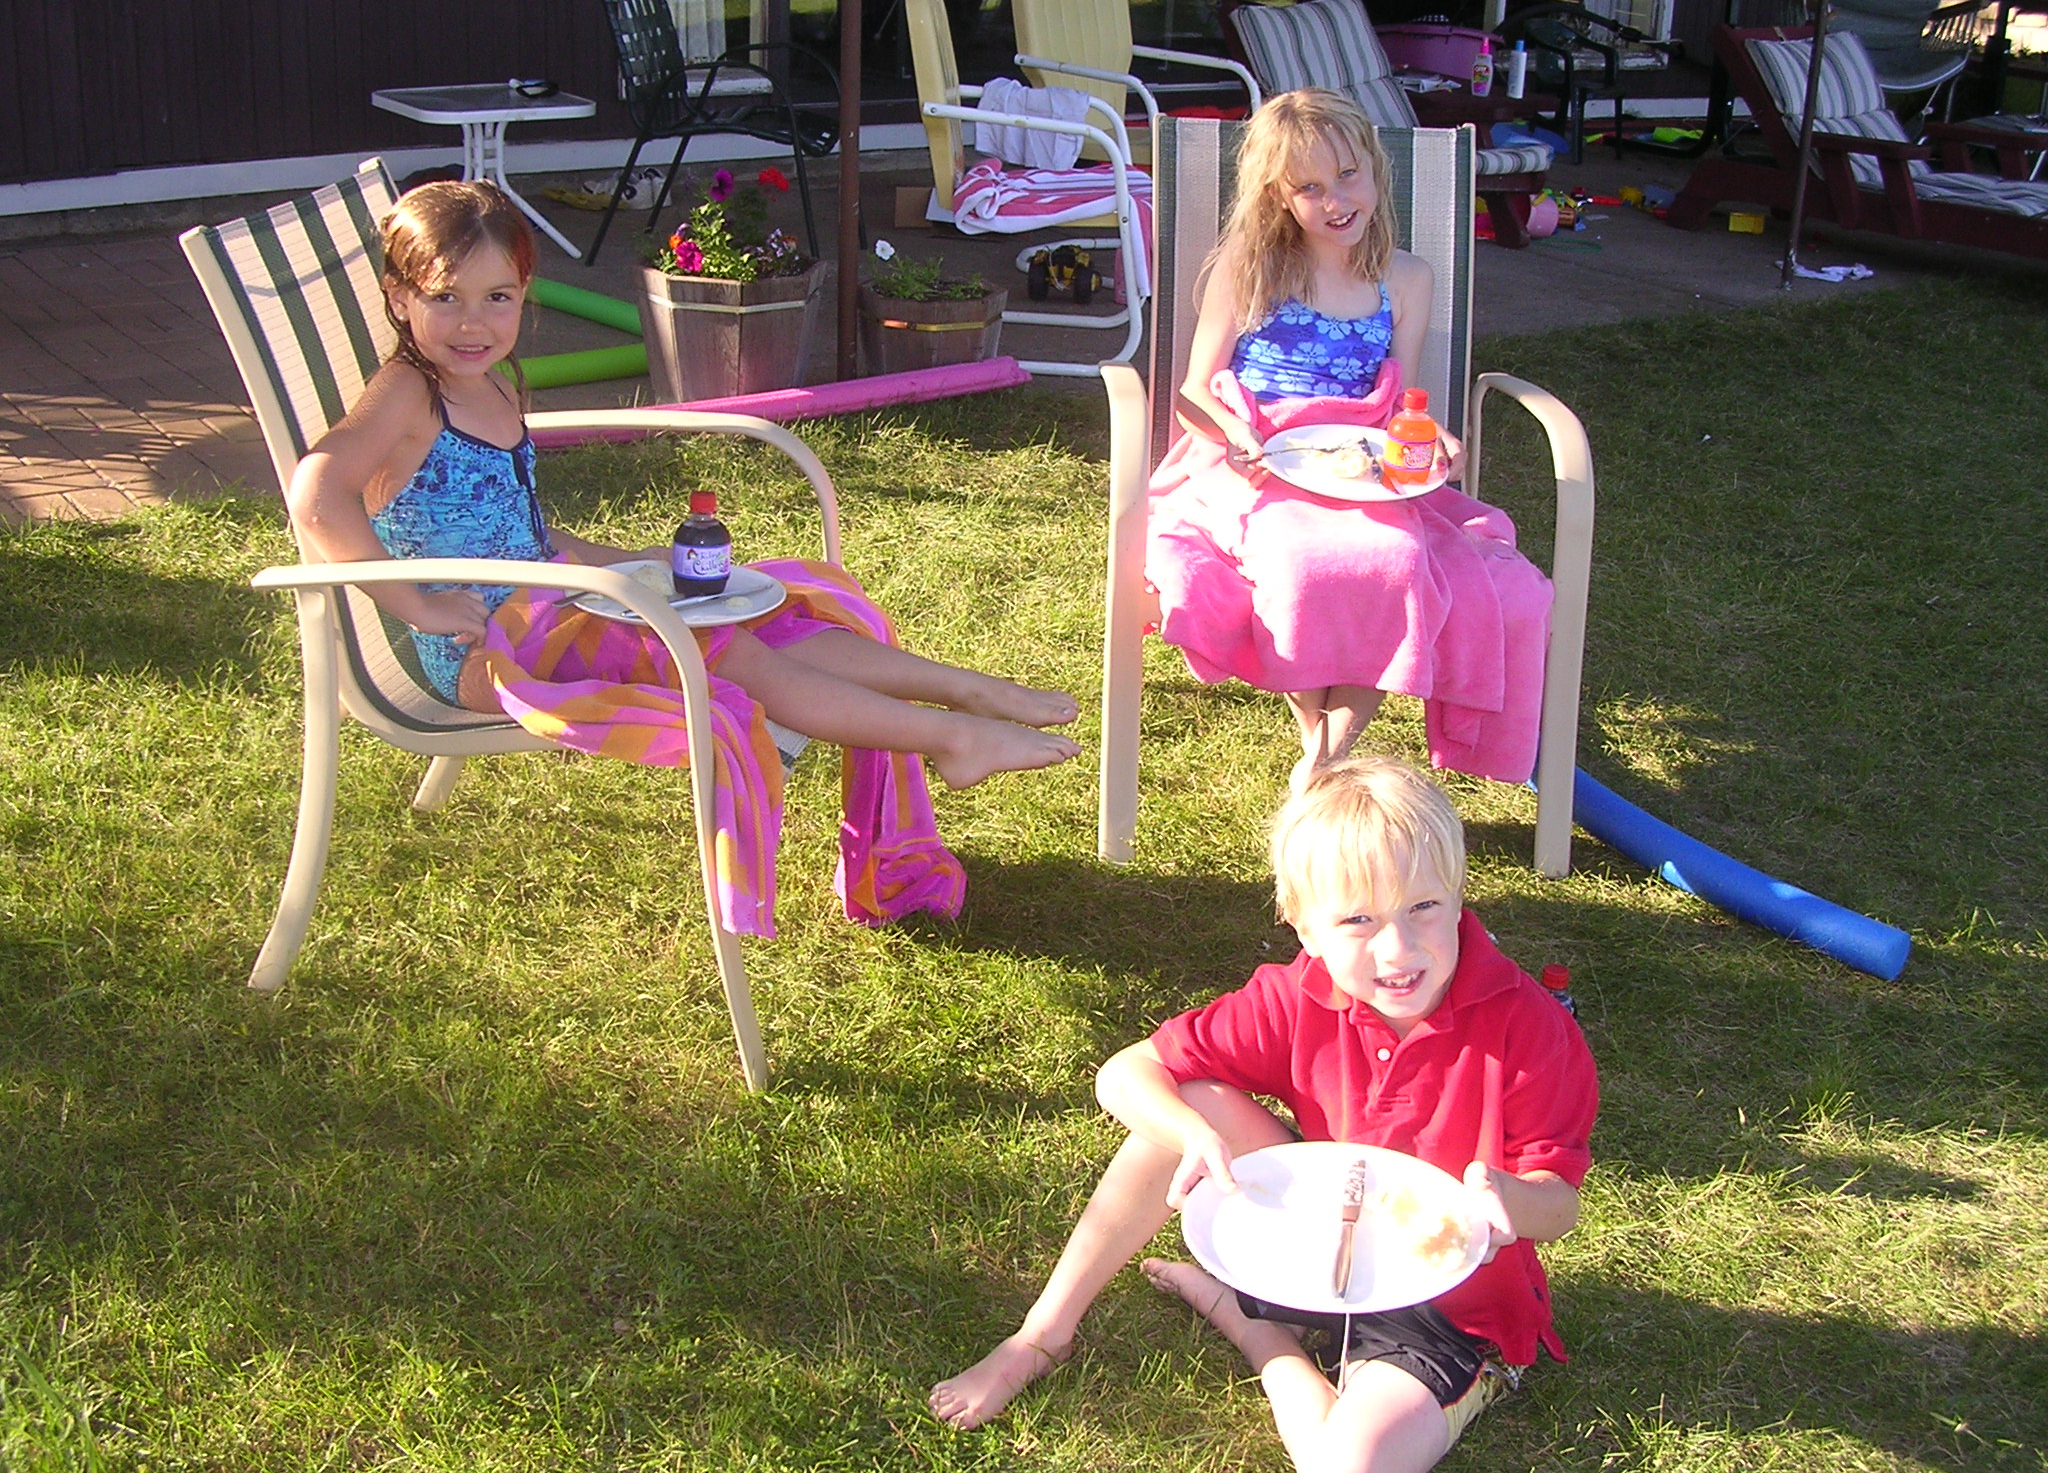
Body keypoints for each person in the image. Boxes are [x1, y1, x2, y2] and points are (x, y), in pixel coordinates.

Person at [288, 179, 1080, 934]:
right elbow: (317, 493)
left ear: (525, 294)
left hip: (547, 604)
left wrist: (622, 562)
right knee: (723, 649)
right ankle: (949, 736)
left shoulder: (494, 384)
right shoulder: (409, 391)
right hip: (486, 652)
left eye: (497, 297)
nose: (474, 323)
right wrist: (418, 606)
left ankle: (964, 691)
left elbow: (519, 532)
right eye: (445, 298)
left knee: (776, 612)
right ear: (399, 298)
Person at [930, 757, 1597, 1473]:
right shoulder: (1296, 997)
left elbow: (1558, 1204)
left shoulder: (1530, 1028)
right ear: (1305, 930)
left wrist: (1508, 1201)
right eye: (1358, 920)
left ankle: (1257, 1334)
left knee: (1344, 1466)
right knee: (1194, 1101)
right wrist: (1191, 1135)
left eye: (1423, 907)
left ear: (1459, 893)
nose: (1398, 948)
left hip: (1453, 1309)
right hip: (1316, 1249)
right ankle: (1041, 1335)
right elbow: (1125, 1075)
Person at [1146, 90, 1553, 794]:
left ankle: (1323, 758)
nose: (1336, 201)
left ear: (1375, 168)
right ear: (1278, 197)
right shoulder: (1250, 266)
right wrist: (1236, 433)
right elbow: (1192, 394)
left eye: (1347, 175)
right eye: (1309, 187)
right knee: (1302, 562)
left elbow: (1403, 403)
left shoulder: (1406, 278)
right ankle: (1326, 758)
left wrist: (1432, 434)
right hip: (1255, 460)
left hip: (1354, 464)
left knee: (1396, 561)